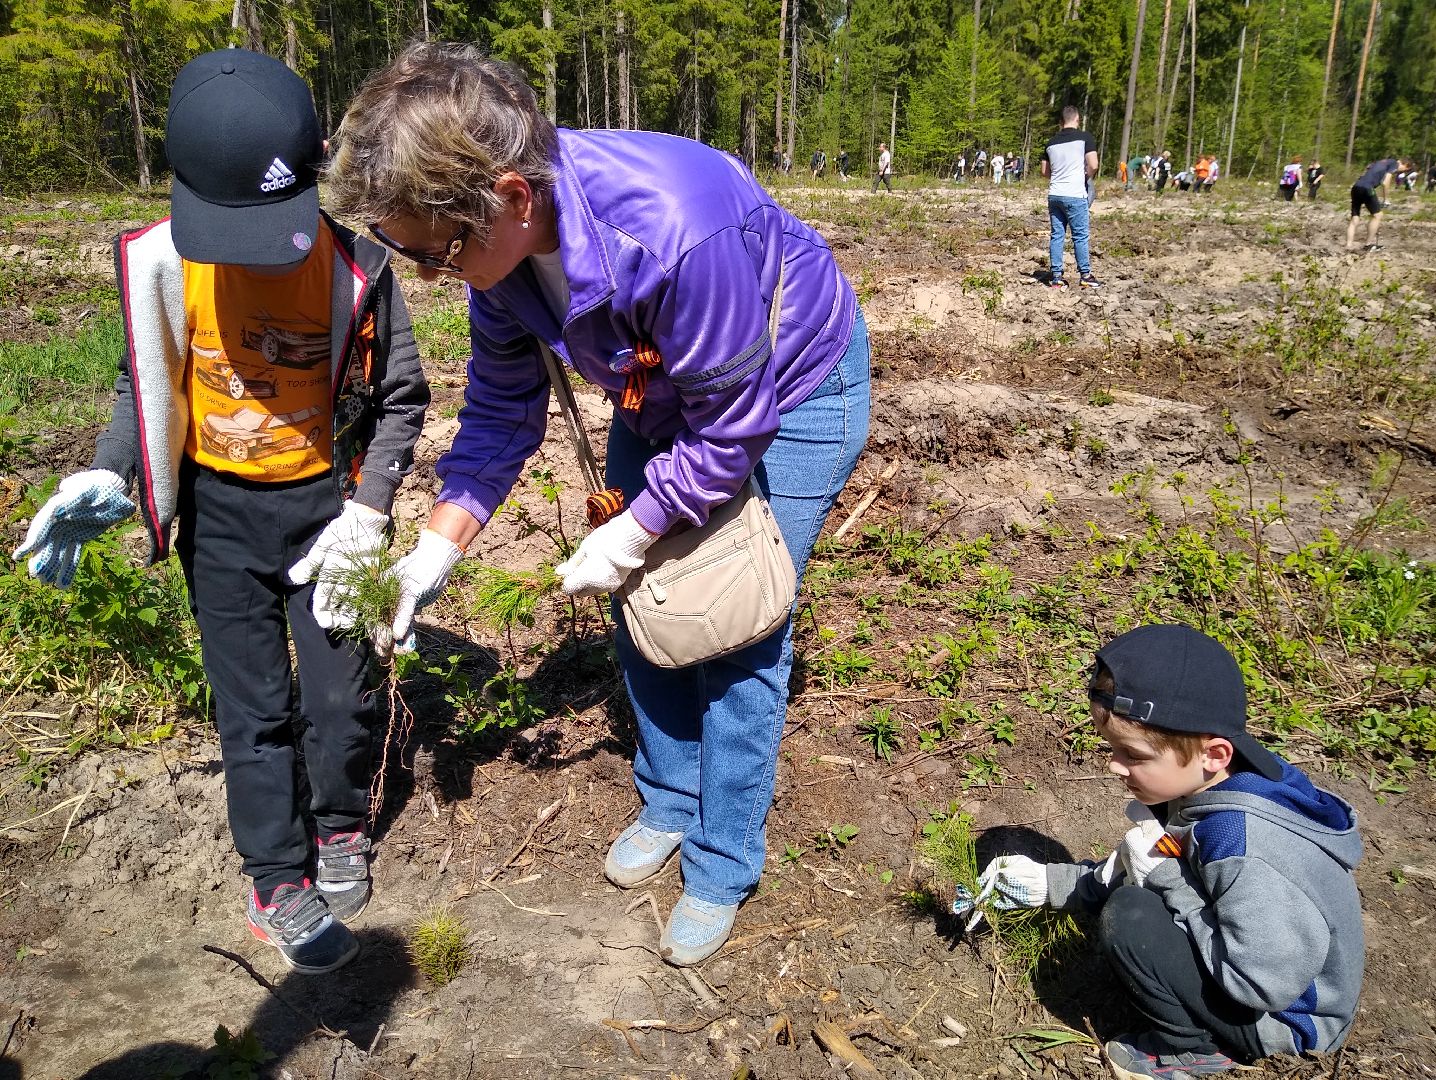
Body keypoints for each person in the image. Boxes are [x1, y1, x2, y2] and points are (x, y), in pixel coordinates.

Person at [326, 41, 871, 967]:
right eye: (405, 252)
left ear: (511, 193)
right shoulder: (494, 254)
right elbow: (502, 410)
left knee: (733, 618)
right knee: (642, 596)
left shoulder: (677, 227)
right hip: (658, 390)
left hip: (788, 393)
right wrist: (434, 552)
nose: (424, 275)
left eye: (435, 250)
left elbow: (734, 431)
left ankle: (723, 856)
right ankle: (670, 792)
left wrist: (640, 525)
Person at [10, 49, 430, 974]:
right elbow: (146, 381)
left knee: (339, 696)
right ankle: (276, 873)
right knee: (254, 707)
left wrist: (369, 507)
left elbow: (401, 398)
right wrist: (113, 471)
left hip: (329, 511)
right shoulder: (163, 264)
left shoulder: (357, 268)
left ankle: (335, 825)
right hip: (221, 517)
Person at [959, 624, 1363, 1080]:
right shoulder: (1202, 786)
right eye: (1112, 748)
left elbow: (1258, 983)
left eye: (1132, 755)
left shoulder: (1246, 844)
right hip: (1251, 963)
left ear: (1214, 753)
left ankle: (1193, 1050)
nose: (1114, 765)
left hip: (1285, 1023)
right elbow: (1141, 861)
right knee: (1137, 896)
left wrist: (1167, 880)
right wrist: (1050, 884)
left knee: (1132, 916)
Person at [1041, 105, 1101, 290]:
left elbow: (1044, 171)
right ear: (1077, 119)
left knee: (1057, 235)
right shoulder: (1085, 138)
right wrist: (1084, 177)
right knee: (1080, 236)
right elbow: (1093, 164)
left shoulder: (1050, 143)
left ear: (1060, 122)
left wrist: (1060, 176)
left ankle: (1057, 277)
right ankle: (1085, 275)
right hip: (1075, 193)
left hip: (1055, 193)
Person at [1347, 156, 1411, 251]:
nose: (1401, 172)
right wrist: (1386, 199)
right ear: (1404, 164)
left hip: (1356, 186)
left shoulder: (1381, 162)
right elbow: (1386, 182)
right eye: (1404, 170)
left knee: (1355, 217)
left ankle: (1348, 245)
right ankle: (1368, 245)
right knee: (1378, 215)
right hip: (1367, 188)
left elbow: (1368, 168)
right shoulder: (1394, 163)